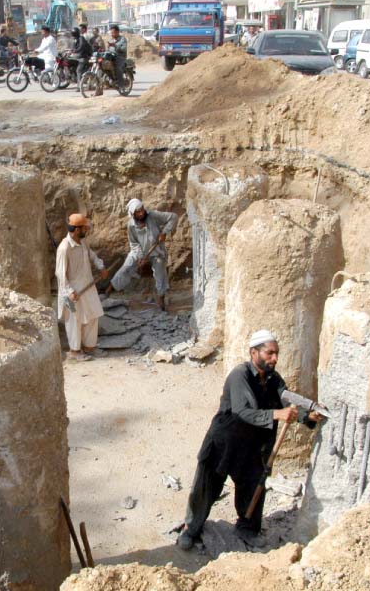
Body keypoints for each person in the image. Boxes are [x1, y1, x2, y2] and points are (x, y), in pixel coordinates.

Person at [177, 330, 325, 550]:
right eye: (269, 353)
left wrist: (307, 416)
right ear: (254, 352)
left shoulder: (273, 378)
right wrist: (276, 414)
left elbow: (285, 400)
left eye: (277, 354)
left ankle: (247, 528)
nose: (274, 358)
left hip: (252, 447)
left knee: (254, 486)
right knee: (205, 488)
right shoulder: (240, 375)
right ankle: (191, 530)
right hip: (224, 443)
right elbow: (242, 411)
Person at [56, 214, 109, 362]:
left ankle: (90, 347)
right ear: (77, 229)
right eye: (85, 227)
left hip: (87, 287)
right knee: (74, 319)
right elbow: (60, 274)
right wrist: (70, 292)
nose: (87, 230)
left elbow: (92, 256)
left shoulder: (83, 242)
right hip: (72, 292)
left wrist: (101, 266)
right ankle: (74, 351)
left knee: (93, 315)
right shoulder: (64, 248)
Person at [108, 199, 176, 311]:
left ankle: (161, 300)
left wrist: (164, 232)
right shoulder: (130, 225)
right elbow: (134, 243)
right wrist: (140, 256)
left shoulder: (153, 216)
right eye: (138, 212)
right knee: (126, 268)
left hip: (157, 250)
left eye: (142, 210)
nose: (141, 213)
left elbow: (173, 217)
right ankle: (109, 290)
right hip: (138, 251)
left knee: (160, 273)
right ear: (133, 214)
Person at [107, 24, 127, 88]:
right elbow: (108, 49)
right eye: (111, 33)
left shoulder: (122, 39)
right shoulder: (111, 40)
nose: (112, 34)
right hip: (111, 57)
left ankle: (121, 85)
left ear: (117, 32)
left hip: (120, 57)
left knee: (118, 68)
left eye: (113, 32)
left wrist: (115, 46)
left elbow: (124, 48)